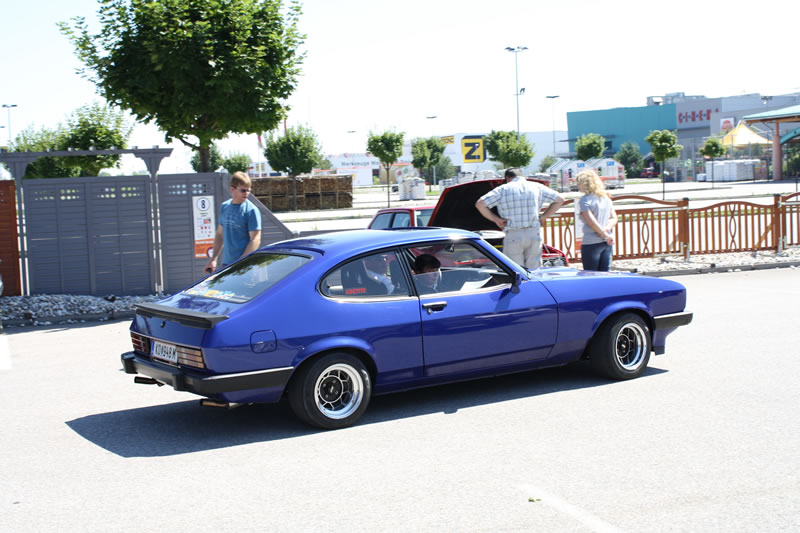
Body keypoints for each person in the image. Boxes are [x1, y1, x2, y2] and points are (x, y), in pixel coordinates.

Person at [475, 168, 565, 269]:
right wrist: (544, 216)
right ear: (522, 176)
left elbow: (480, 204)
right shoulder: (537, 187)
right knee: (534, 270)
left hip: (514, 235)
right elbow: (560, 200)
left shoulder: (503, 189)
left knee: (516, 270)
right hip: (534, 234)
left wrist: (496, 219)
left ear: (508, 178)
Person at [204, 172, 262, 274]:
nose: (246, 193)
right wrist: (213, 259)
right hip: (227, 264)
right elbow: (220, 234)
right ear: (232, 189)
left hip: (245, 266)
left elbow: (256, 239)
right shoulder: (225, 206)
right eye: (243, 190)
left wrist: (241, 262)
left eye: (248, 190)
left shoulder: (251, 210)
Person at [575, 169, 617, 271]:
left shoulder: (585, 200)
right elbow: (614, 218)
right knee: (605, 274)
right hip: (607, 242)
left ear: (585, 184)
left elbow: (591, 222)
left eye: (578, 183)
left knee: (591, 274)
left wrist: (604, 235)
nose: (577, 185)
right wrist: (606, 230)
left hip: (591, 242)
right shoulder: (606, 198)